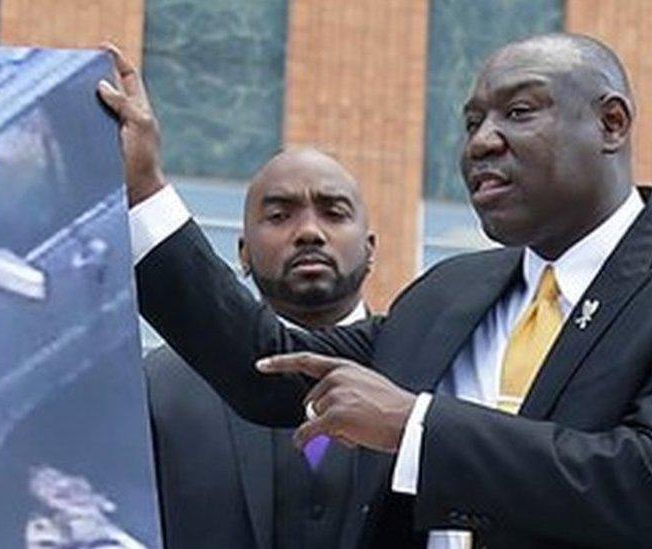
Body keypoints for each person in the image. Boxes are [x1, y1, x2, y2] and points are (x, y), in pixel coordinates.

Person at [99, 33, 652, 548]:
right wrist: (143, 189)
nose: (483, 141)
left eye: (519, 112)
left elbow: (637, 480)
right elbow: (267, 368)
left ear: (610, 123)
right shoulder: (451, 293)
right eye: (472, 123)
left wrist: (418, 428)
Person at [145, 147, 375, 549]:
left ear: (370, 249)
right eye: (279, 216)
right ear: (244, 253)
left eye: (334, 213)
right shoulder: (160, 384)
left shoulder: (425, 369)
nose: (309, 232)